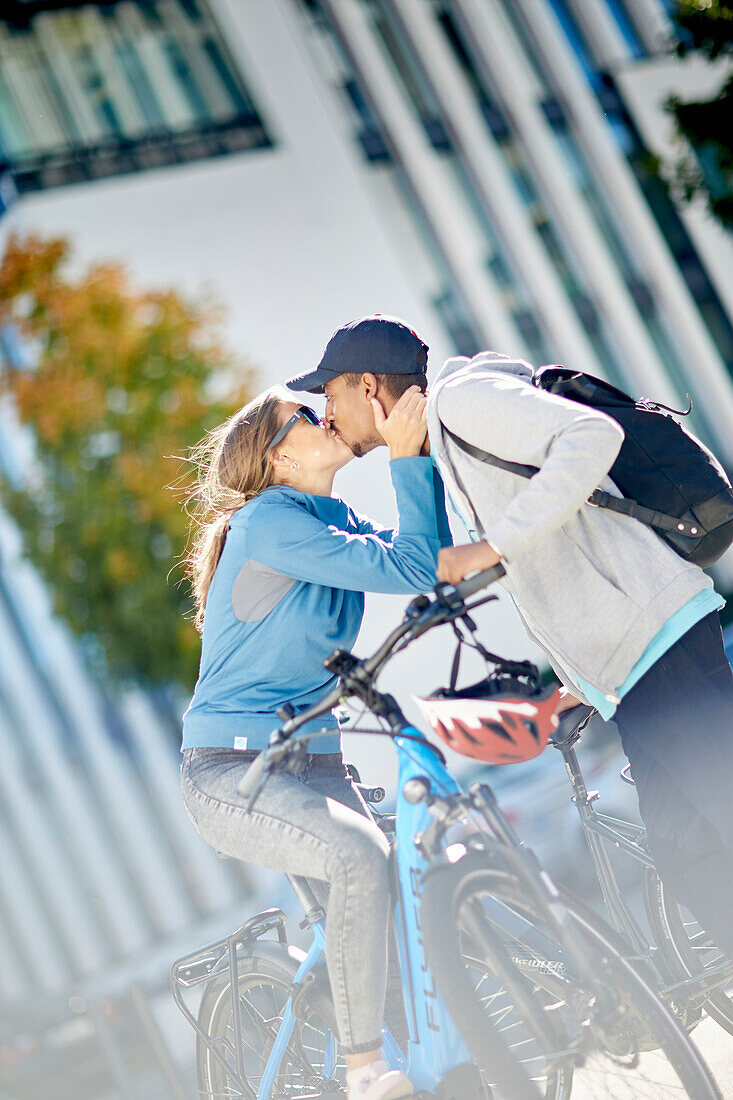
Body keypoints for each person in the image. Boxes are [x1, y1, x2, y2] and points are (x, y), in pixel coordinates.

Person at [288, 316, 733, 961]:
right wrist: (578, 679)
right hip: (631, 663)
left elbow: (590, 434)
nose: (325, 413)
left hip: (656, 638)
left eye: (330, 395)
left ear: (367, 386)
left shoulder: (460, 400)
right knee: (689, 854)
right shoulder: (440, 435)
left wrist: (494, 545)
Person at [180, 380, 451, 1100]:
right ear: (276, 461)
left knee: (401, 894)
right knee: (358, 858)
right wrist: (406, 457)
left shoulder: (332, 517)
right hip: (234, 774)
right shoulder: (268, 521)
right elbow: (415, 567)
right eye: (302, 414)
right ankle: (363, 1072)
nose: (322, 413)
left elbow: (427, 557)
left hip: (317, 761)